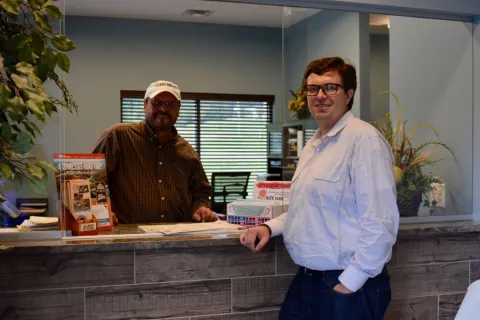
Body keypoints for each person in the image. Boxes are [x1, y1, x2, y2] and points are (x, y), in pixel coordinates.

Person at [240, 57, 399, 319]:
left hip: (348, 284)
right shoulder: (313, 145)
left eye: (330, 87)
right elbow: (303, 209)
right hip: (308, 280)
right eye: (313, 88)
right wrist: (268, 227)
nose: (320, 95)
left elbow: (381, 222)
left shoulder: (364, 140)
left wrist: (349, 283)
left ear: (348, 94)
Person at [92, 80, 217, 224]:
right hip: (127, 236)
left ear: (179, 108)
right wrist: (102, 210)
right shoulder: (118, 137)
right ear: (145, 105)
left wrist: (200, 208)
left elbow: (201, 192)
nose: (163, 108)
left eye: (170, 104)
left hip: (178, 236)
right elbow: (92, 179)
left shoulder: (187, 151)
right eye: (157, 102)